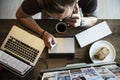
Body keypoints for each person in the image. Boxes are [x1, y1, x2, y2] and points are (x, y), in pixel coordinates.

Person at [16, 0, 98, 49]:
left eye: (64, 16)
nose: (60, 21)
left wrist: (82, 22)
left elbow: (93, 18)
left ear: (76, 2)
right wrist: (43, 33)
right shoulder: (36, 1)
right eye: (52, 15)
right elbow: (21, 16)